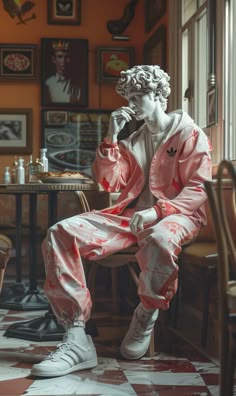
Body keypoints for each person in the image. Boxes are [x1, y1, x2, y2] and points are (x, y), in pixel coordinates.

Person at [31, 65, 212, 378]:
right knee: (60, 232)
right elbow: (109, 183)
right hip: (127, 218)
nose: (131, 103)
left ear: (158, 95)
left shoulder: (189, 134)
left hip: (178, 217)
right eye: (129, 97)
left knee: (159, 238)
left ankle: (146, 313)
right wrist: (111, 136)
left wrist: (158, 211)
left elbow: (198, 188)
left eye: (138, 95)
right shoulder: (132, 142)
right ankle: (76, 336)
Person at [44, 40, 80, 104]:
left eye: (67, 57)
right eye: (60, 57)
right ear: (54, 59)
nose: (64, 60)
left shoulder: (77, 83)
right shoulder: (48, 83)